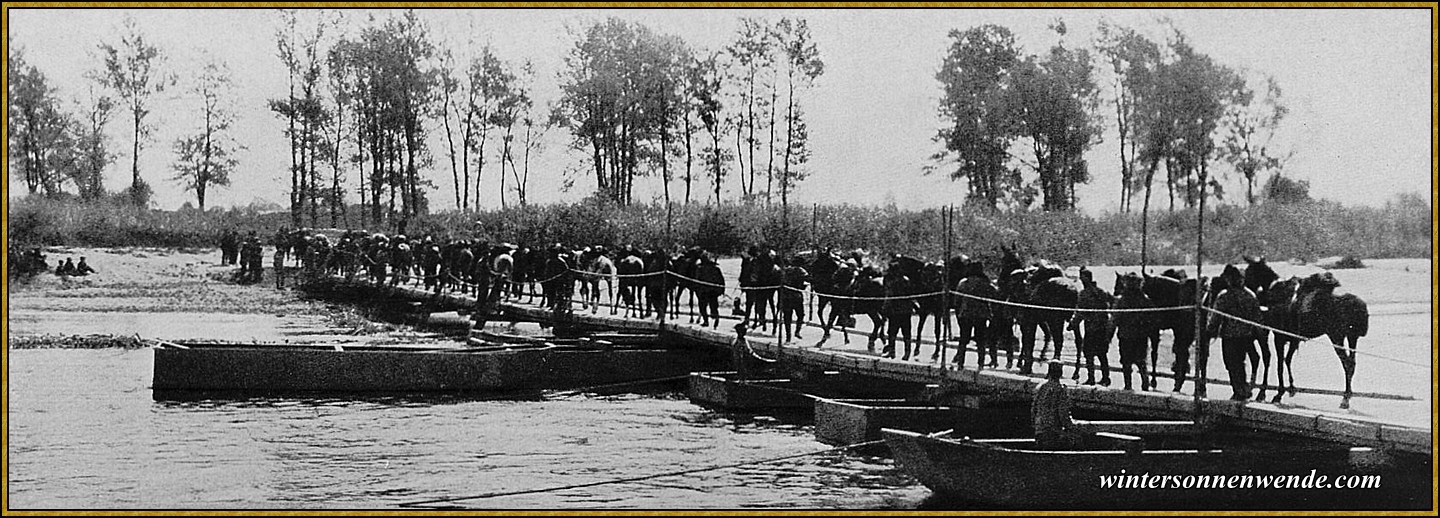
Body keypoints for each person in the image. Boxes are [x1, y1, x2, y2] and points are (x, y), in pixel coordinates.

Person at [1206, 264, 1264, 401]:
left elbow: (1215, 317)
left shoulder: (1225, 296)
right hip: (1246, 335)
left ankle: (1239, 390)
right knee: (1240, 362)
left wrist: (1210, 330)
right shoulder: (1251, 295)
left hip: (1230, 336)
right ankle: (1242, 389)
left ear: (1229, 279)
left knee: (1231, 363)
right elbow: (1258, 318)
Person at [1032, 362, 1090, 450]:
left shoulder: (1041, 387)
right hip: (1053, 432)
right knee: (1077, 440)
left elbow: (1033, 409)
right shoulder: (1060, 390)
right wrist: (1072, 428)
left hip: (1039, 430)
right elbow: (1063, 415)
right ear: (1060, 373)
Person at [1072, 268, 1114, 386]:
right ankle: (1106, 378)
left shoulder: (1084, 294)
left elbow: (1080, 312)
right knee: (1102, 354)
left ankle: (1092, 379)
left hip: (1091, 328)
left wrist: (1073, 324)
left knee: (1089, 353)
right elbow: (1113, 302)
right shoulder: (1101, 291)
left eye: (1082, 277)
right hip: (1102, 328)